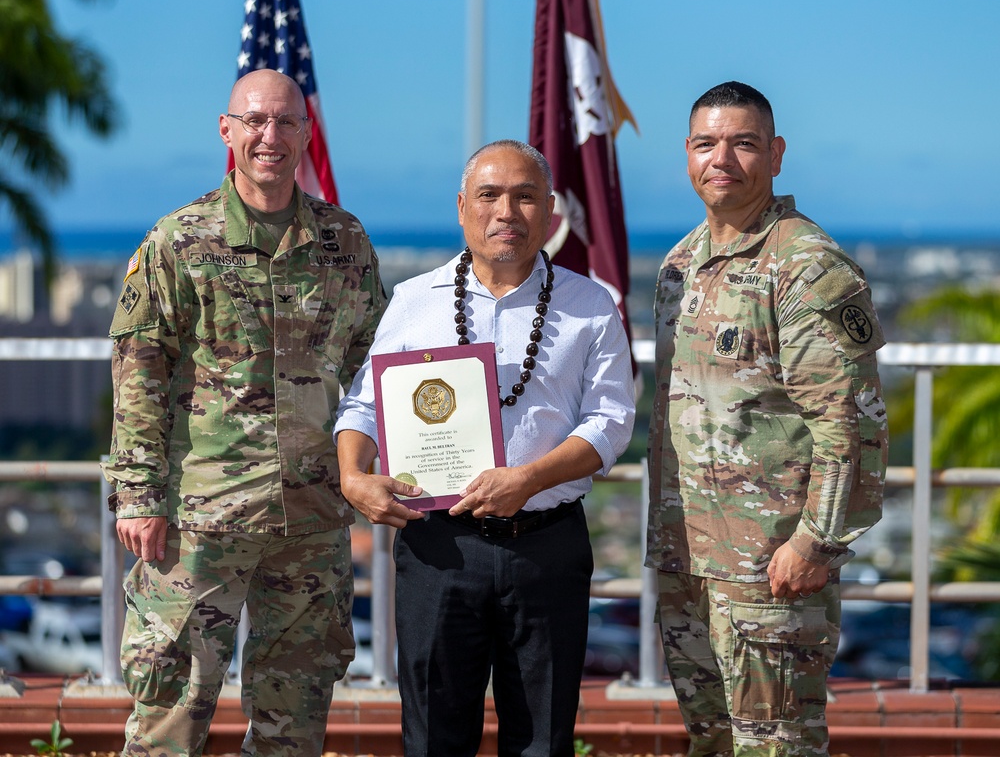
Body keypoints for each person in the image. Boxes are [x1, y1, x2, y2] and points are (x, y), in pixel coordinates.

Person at [102, 68, 385, 756]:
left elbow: (373, 367)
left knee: (298, 711)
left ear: (306, 134)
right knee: (171, 707)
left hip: (312, 519)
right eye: (255, 121)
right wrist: (139, 494)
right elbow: (139, 369)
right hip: (202, 517)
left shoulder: (344, 244)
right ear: (226, 131)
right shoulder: (177, 242)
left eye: (286, 122)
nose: (270, 136)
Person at [334, 139, 635, 757]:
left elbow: (611, 422)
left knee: (542, 741)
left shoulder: (590, 305)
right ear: (463, 208)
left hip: (546, 547)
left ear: (551, 211)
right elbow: (365, 403)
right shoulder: (415, 301)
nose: (507, 212)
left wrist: (527, 479)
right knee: (433, 739)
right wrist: (352, 476)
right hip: (439, 548)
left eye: (526, 197)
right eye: (490, 196)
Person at [646, 81, 888, 757]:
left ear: (776, 155)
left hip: (770, 568)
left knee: (776, 746)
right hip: (689, 561)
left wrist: (817, 542)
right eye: (705, 143)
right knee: (713, 743)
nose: (721, 157)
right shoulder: (681, 265)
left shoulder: (806, 265)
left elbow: (854, 422)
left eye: (743, 143)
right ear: (687, 156)